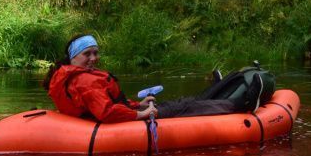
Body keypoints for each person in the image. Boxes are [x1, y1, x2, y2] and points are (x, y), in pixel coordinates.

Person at [43, 35, 247, 123]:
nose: (93, 58)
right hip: (122, 121)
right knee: (185, 108)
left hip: (123, 114)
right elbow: (106, 112)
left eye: (95, 53)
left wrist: (136, 104)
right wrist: (140, 114)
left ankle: (219, 91)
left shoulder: (74, 75)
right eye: (87, 54)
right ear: (73, 57)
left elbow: (110, 103)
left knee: (181, 103)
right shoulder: (83, 82)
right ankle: (236, 104)